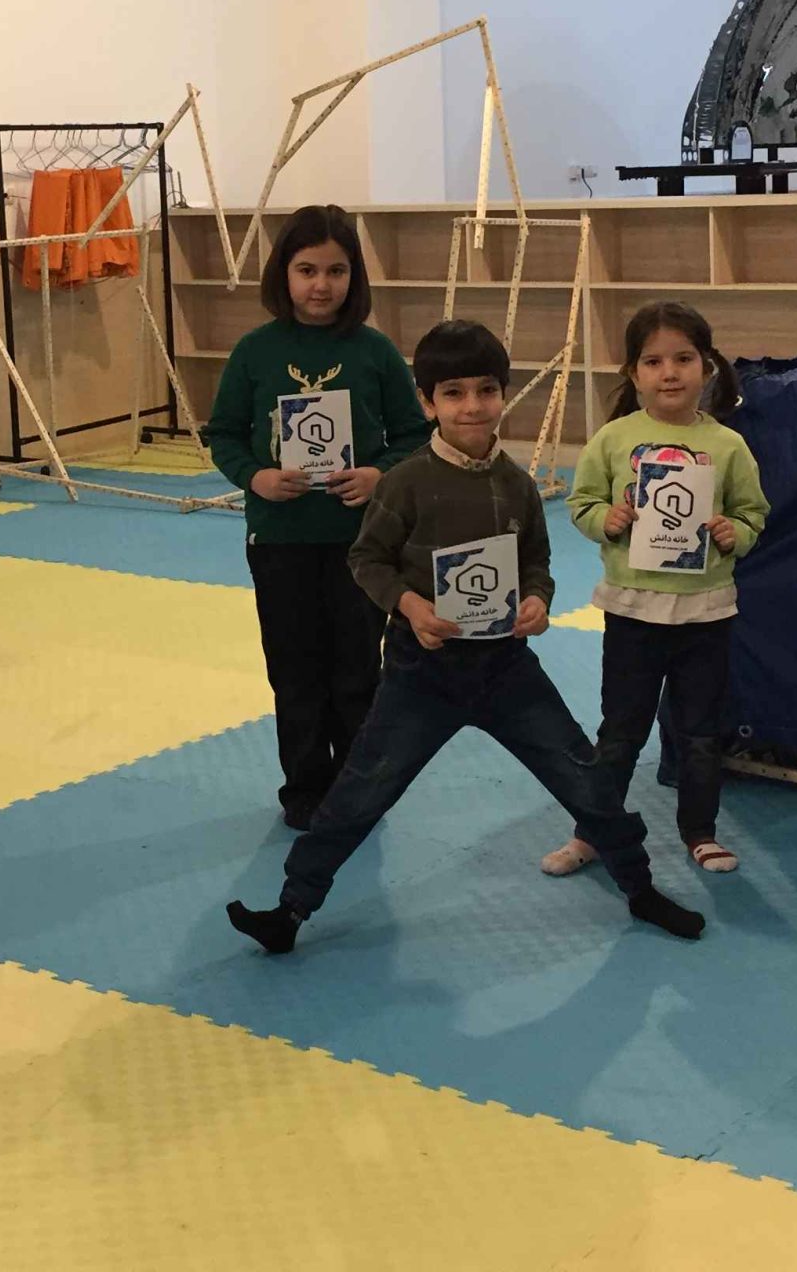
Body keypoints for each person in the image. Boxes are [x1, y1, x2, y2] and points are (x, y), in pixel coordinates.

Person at [226, 320, 706, 954]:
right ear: (428, 403)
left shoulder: (517, 484)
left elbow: (536, 561)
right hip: (421, 673)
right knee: (360, 790)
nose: (472, 406)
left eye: (485, 390)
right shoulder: (404, 481)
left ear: (503, 395)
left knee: (585, 778)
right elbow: (366, 560)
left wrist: (537, 601)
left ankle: (639, 888)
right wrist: (410, 606)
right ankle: (290, 910)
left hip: (506, 669)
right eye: (453, 393)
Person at [206, 205, 430, 827]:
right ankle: (305, 790)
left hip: (362, 545)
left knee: (358, 671)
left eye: (336, 270)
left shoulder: (375, 352)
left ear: (355, 276)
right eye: (307, 270)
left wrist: (379, 474)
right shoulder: (254, 352)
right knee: (294, 671)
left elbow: (413, 434)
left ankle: (358, 790)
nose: (322, 285)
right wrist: (256, 477)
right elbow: (223, 433)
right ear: (284, 273)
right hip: (280, 540)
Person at [542, 300, 769, 881]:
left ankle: (700, 831)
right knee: (620, 731)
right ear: (633, 373)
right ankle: (594, 831)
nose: (670, 373)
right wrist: (608, 520)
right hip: (632, 610)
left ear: (707, 367)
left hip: (706, 613)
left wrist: (734, 532)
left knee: (700, 734)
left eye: (683, 359)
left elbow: (753, 513)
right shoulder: (614, 439)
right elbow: (582, 502)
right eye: (653, 361)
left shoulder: (727, 445)